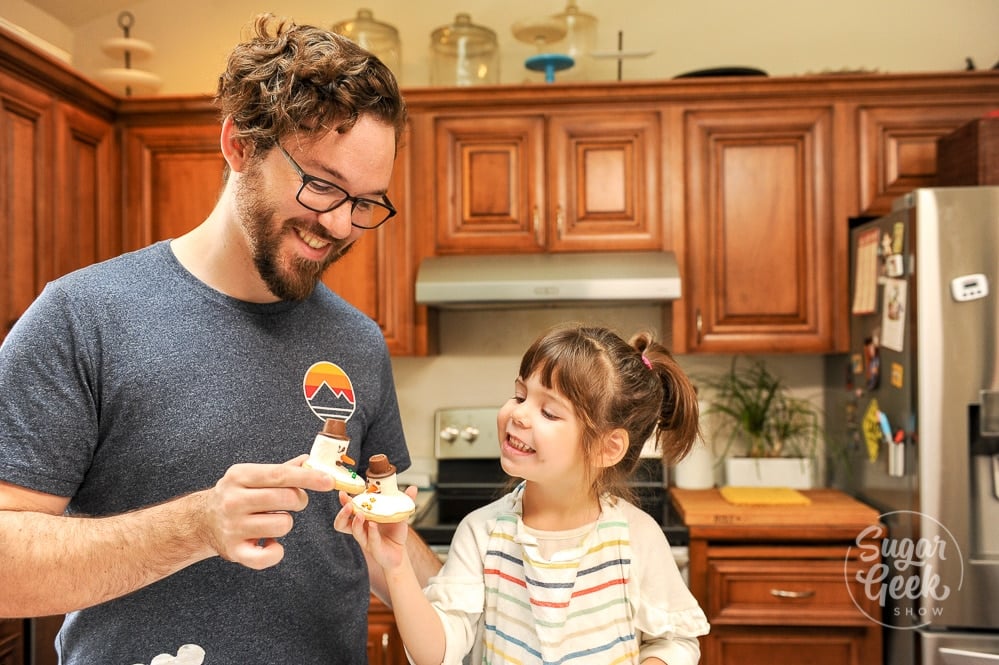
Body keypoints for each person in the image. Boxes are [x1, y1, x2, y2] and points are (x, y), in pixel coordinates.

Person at [0, 13, 440, 665]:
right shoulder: (82, 316)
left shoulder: (357, 339)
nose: (341, 224)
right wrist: (199, 524)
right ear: (239, 145)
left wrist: (485, 591)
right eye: (322, 186)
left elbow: (375, 540)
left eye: (366, 202)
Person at [339, 323, 711, 665]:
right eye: (520, 396)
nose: (519, 414)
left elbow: (676, 641)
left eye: (549, 412)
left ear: (606, 448)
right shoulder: (482, 534)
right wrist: (397, 566)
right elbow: (437, 654)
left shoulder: (636, 537)